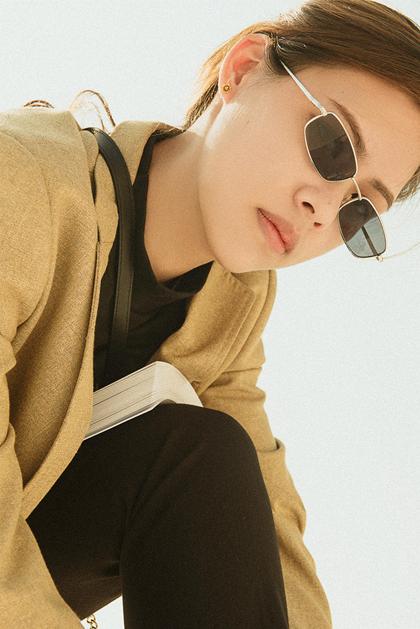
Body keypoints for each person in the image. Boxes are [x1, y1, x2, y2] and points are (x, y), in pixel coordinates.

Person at [1, 0, 419, 627]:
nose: (322, 209)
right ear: (242, 70)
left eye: (361, 211)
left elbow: (271, 526)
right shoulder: (18, 180)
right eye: (331, 145)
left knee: (204, 459)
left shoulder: (232, 302)